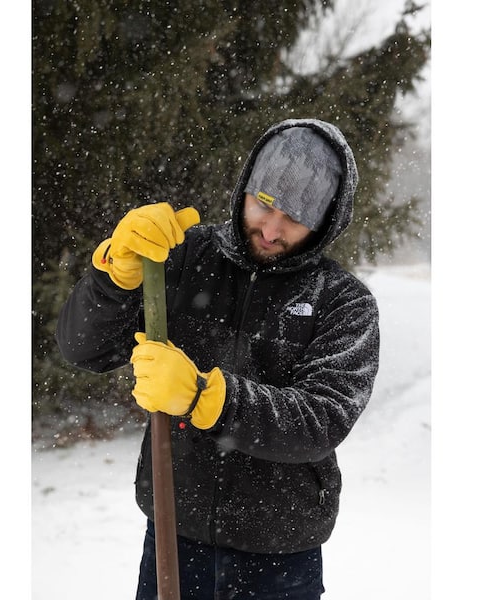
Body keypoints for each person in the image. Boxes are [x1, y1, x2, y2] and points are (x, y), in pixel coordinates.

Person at [56, 118, 380, 599]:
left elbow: (321, 420)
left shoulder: (344, 303)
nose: (271, 229)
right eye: (265, 203)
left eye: (295, 217)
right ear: (246, 188)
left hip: (280, 559)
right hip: (173, 535)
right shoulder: (184, 256)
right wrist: (114, 279)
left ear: (325, 222)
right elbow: (85, 348)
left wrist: (203, 397)